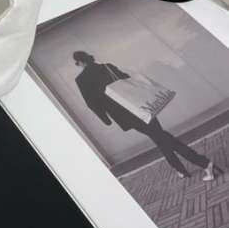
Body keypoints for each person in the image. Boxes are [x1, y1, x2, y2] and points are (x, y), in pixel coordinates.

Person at [73, 50, 214, 180]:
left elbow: (91, 102)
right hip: (141, 106)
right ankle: (181, 168)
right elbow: (127, 80)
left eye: (77, 63)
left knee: (161, 137)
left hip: (124, 115)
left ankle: (203, 163)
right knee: (159, 136)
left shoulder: (82, 80)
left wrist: (106, 119)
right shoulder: (107, 67)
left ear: (80, 62)